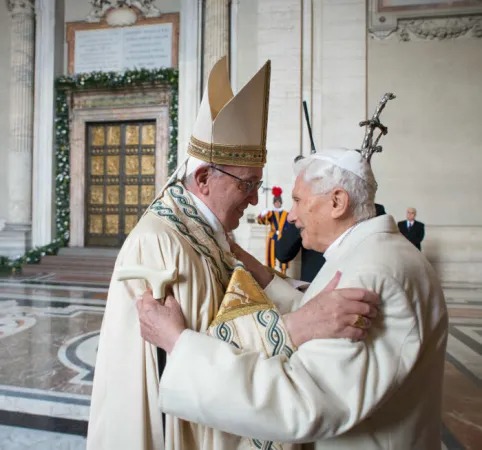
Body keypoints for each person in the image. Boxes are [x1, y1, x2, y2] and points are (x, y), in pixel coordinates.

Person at [87, 57, 379, 450]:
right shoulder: (161, 241)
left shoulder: (207, 230)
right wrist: (295, 327)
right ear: (204, 178)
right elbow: (177, 355)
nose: (256, 199)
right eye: (248, 185)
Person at [137, 147, 448, 449]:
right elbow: (319, 312)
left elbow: (303, 400)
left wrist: (179, 345)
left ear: (337, 202)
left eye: (298, 200)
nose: (292, 215)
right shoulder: (373, 254)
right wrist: (254, 267)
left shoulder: (372, 274)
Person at [257, 186, 290, 274]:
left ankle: (283, 274)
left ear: (281, 203)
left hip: (283, 238)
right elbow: (262, 221)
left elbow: (290, 225)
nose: (277, 204)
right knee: (270, 257)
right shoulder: (270, 213)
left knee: (283, 256)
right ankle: (271, 274)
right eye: (275, 202)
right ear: (274, 203)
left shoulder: (286, 214)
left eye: (278, 202)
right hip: (272, 237)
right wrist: (263, 215)